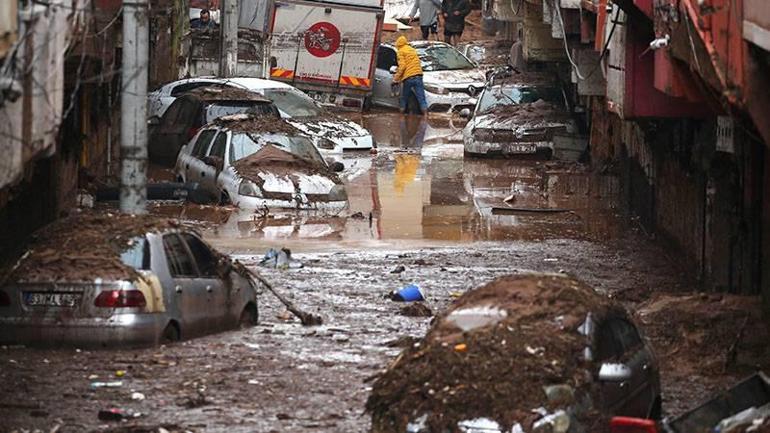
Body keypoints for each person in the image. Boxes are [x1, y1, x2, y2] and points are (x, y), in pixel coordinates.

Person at [393, 36, 428, 116]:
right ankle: (426, 117)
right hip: (418, 75)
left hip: (408, 77)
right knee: (421, 98)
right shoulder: (412, 50)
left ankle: (401, 116)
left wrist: (395, 78)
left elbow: (402, 66)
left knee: (404, 97)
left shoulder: (400, 52)